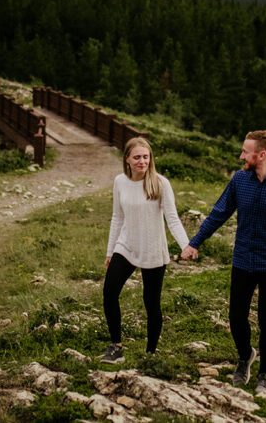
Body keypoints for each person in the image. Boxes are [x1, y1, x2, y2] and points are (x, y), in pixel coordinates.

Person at [180, 130, 266, 397]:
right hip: (242, 260)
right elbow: (219, 213)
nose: (240, 155)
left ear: (261, 154)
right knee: (236, 317)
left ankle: (265, 376)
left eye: (245, 151)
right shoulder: (239, 180)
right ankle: (245, 356)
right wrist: (194, 242)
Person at [101, 136, 190, 364]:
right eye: (137, 157)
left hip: (152, 249)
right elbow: (116, 217)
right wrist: (110, 251)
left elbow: (172, 218)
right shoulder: (120, 182)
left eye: (146, 157)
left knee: (151, 302)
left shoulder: (160, 183)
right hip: (126, 245)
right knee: (110, 291)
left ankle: (150, 354)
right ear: (127, 159)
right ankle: (116, 346)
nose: (142, 161)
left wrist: (186, 245)